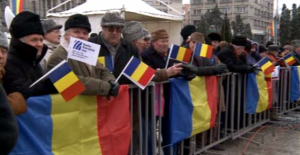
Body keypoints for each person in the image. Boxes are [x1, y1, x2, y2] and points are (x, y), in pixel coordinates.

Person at [47, 14, 118, 97]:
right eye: (76, 32)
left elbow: (102, 70)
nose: (81, 36)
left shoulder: (87, 52)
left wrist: (111, 80)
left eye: (85, 33)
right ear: (66, 35)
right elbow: (72, 83)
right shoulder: (58, 56)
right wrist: (106, 87)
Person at [3, 11, 57, 99]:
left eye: (41, 40)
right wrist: (52, 84)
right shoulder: (9, 63)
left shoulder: (35, 62)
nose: (40, 44)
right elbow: (21, 92)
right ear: (20, 42)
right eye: (34, 40)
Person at [89, 12, 140, 84]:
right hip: (98, 93)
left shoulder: (130, 48)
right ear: (103, 28)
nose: (115, 33)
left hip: (123, 92)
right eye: (111, 29)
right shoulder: (90, 45)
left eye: (118, 29)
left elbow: (139, 72)